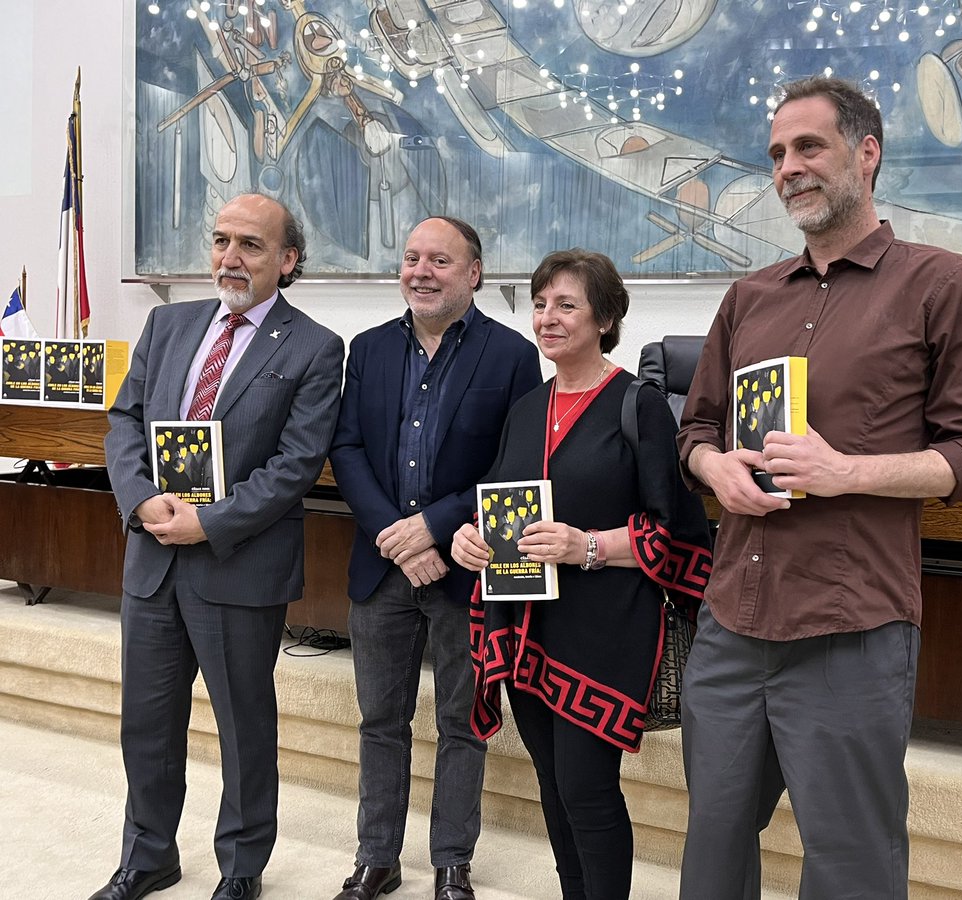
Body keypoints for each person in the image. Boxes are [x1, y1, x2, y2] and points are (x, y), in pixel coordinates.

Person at [676, 76, 962, 899]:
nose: (788, 167)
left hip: (850, 625)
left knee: (851, 863)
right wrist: (714, 467)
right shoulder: (749, 296)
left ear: (868, 153)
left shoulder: (940, 281)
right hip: (731, 622)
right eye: (777, 154)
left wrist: (844, 472)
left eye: (808, 147)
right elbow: (697, 428)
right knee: (713, 848)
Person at [96, 192, 345, 900]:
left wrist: (212, 521)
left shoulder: (315, 347)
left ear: (287, 260)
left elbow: (295, 465)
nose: (229, 257)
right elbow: (125, 423)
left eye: (251, 245)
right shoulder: (167, 325)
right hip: (152, 562)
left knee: (244, 730)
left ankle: (241, 869)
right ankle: (147, 856)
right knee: (145, 723)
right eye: (221, 240)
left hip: (237, 567)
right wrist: (142, 500)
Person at [450, 249, 713, 900]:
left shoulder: (639, 405)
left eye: (566, 304)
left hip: (607, 630)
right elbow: (502, 509)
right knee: (554, 791)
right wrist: (471, 540)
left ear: (605, 317)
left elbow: (679, 537)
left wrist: (585, 545)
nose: (548, 317)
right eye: (540, 304)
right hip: (529, 629)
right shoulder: (525, 409)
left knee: (587, 792)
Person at [328, 216, 542, 900]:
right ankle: (377, 858)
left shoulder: (509, 355)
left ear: (473, 273)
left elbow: (512, 464)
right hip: (381, 564)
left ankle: (452, 859)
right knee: (380, 720)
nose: (420, 270)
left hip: (465, 567)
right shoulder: (366, 349)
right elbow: (348, 449)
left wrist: (432, 528)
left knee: (463, 721)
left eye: (439, 260)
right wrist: (397, 532)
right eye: (411, 257)